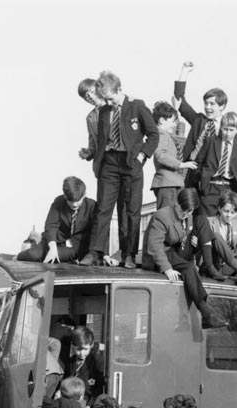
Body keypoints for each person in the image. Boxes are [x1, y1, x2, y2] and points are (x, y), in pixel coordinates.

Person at [80, 71, 159, 269]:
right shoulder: (104, 111)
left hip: (131, 163)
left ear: (119, 90)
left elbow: (153, 135)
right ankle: (95, 252)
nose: (109, 103)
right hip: (110, 162)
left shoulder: (137, 106)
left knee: (130, 210)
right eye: (105, 99)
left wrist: (142, 157)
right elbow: (100, 141)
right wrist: (90, 153)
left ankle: (129, 254)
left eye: (111, 98)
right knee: (103, 207)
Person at [143, 188, 229, 329]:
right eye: (183, 210)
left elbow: (183, 236)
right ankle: (206, 312)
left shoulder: (188, 216)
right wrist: (167, 269)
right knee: (188, 268)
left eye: (189, 212)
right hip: (161, 255)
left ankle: (209, 268)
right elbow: (154, 246)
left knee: (201, 222)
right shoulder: (162, 216)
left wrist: (192, 241)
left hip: (175, 251)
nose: (186, 214)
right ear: (177, 202)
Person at [172, 61, 228, 189]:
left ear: (222, 106)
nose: (207, 107)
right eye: (206, 103)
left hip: (212, 175)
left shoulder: (227, 127)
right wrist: (184, 72)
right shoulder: (199, 120)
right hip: (193, 170)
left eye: (212, 104)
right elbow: (179, 100)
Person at [17, 177, 96, 264]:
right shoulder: (59, 201)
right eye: (70, 201)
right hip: (55, 242)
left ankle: (66, 259)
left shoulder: (92, 206)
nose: (74, 204)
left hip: (77, 248)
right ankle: (17, 256)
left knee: (54, 258)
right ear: (65, 196)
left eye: (77, 201)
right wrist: (53, 247)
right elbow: (51, 224)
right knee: (34, 254)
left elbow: (98, 231)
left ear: (84, 195)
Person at [194, 111, 237, 222]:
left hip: (227, 189)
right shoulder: (210, 142)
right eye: (225, 129)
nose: (227, 133)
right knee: (206, 225)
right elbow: (198, 163)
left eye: (231, 130)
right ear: (221, 128)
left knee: (224, 225)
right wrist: (203, 185)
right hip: (209, 188)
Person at [151, 101, 197, 211]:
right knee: (167, 218)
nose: (174, 124)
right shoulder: (160, 135)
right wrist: (180, 164)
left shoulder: (167, 135)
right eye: (172, 121)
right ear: (162, 120)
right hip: (167, 184)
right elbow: (160, 155)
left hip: (173, 183)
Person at [63, 326, 105, 406]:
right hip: (70, 397)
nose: (82, 353)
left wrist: (90, 405)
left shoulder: (97, 361)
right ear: (72, 346)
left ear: (91, 345)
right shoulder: (71, 361)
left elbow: (99, 387)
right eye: (78, 349)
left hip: (87, 400)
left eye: (85, 349)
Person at [77, 78, 106, 164]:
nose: (91, 97)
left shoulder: (116, 106)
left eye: (92, 92)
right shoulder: (90, 118)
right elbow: (93, 144)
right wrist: (89, 152)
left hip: (124, 161)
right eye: (86, 96)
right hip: (104, 165)